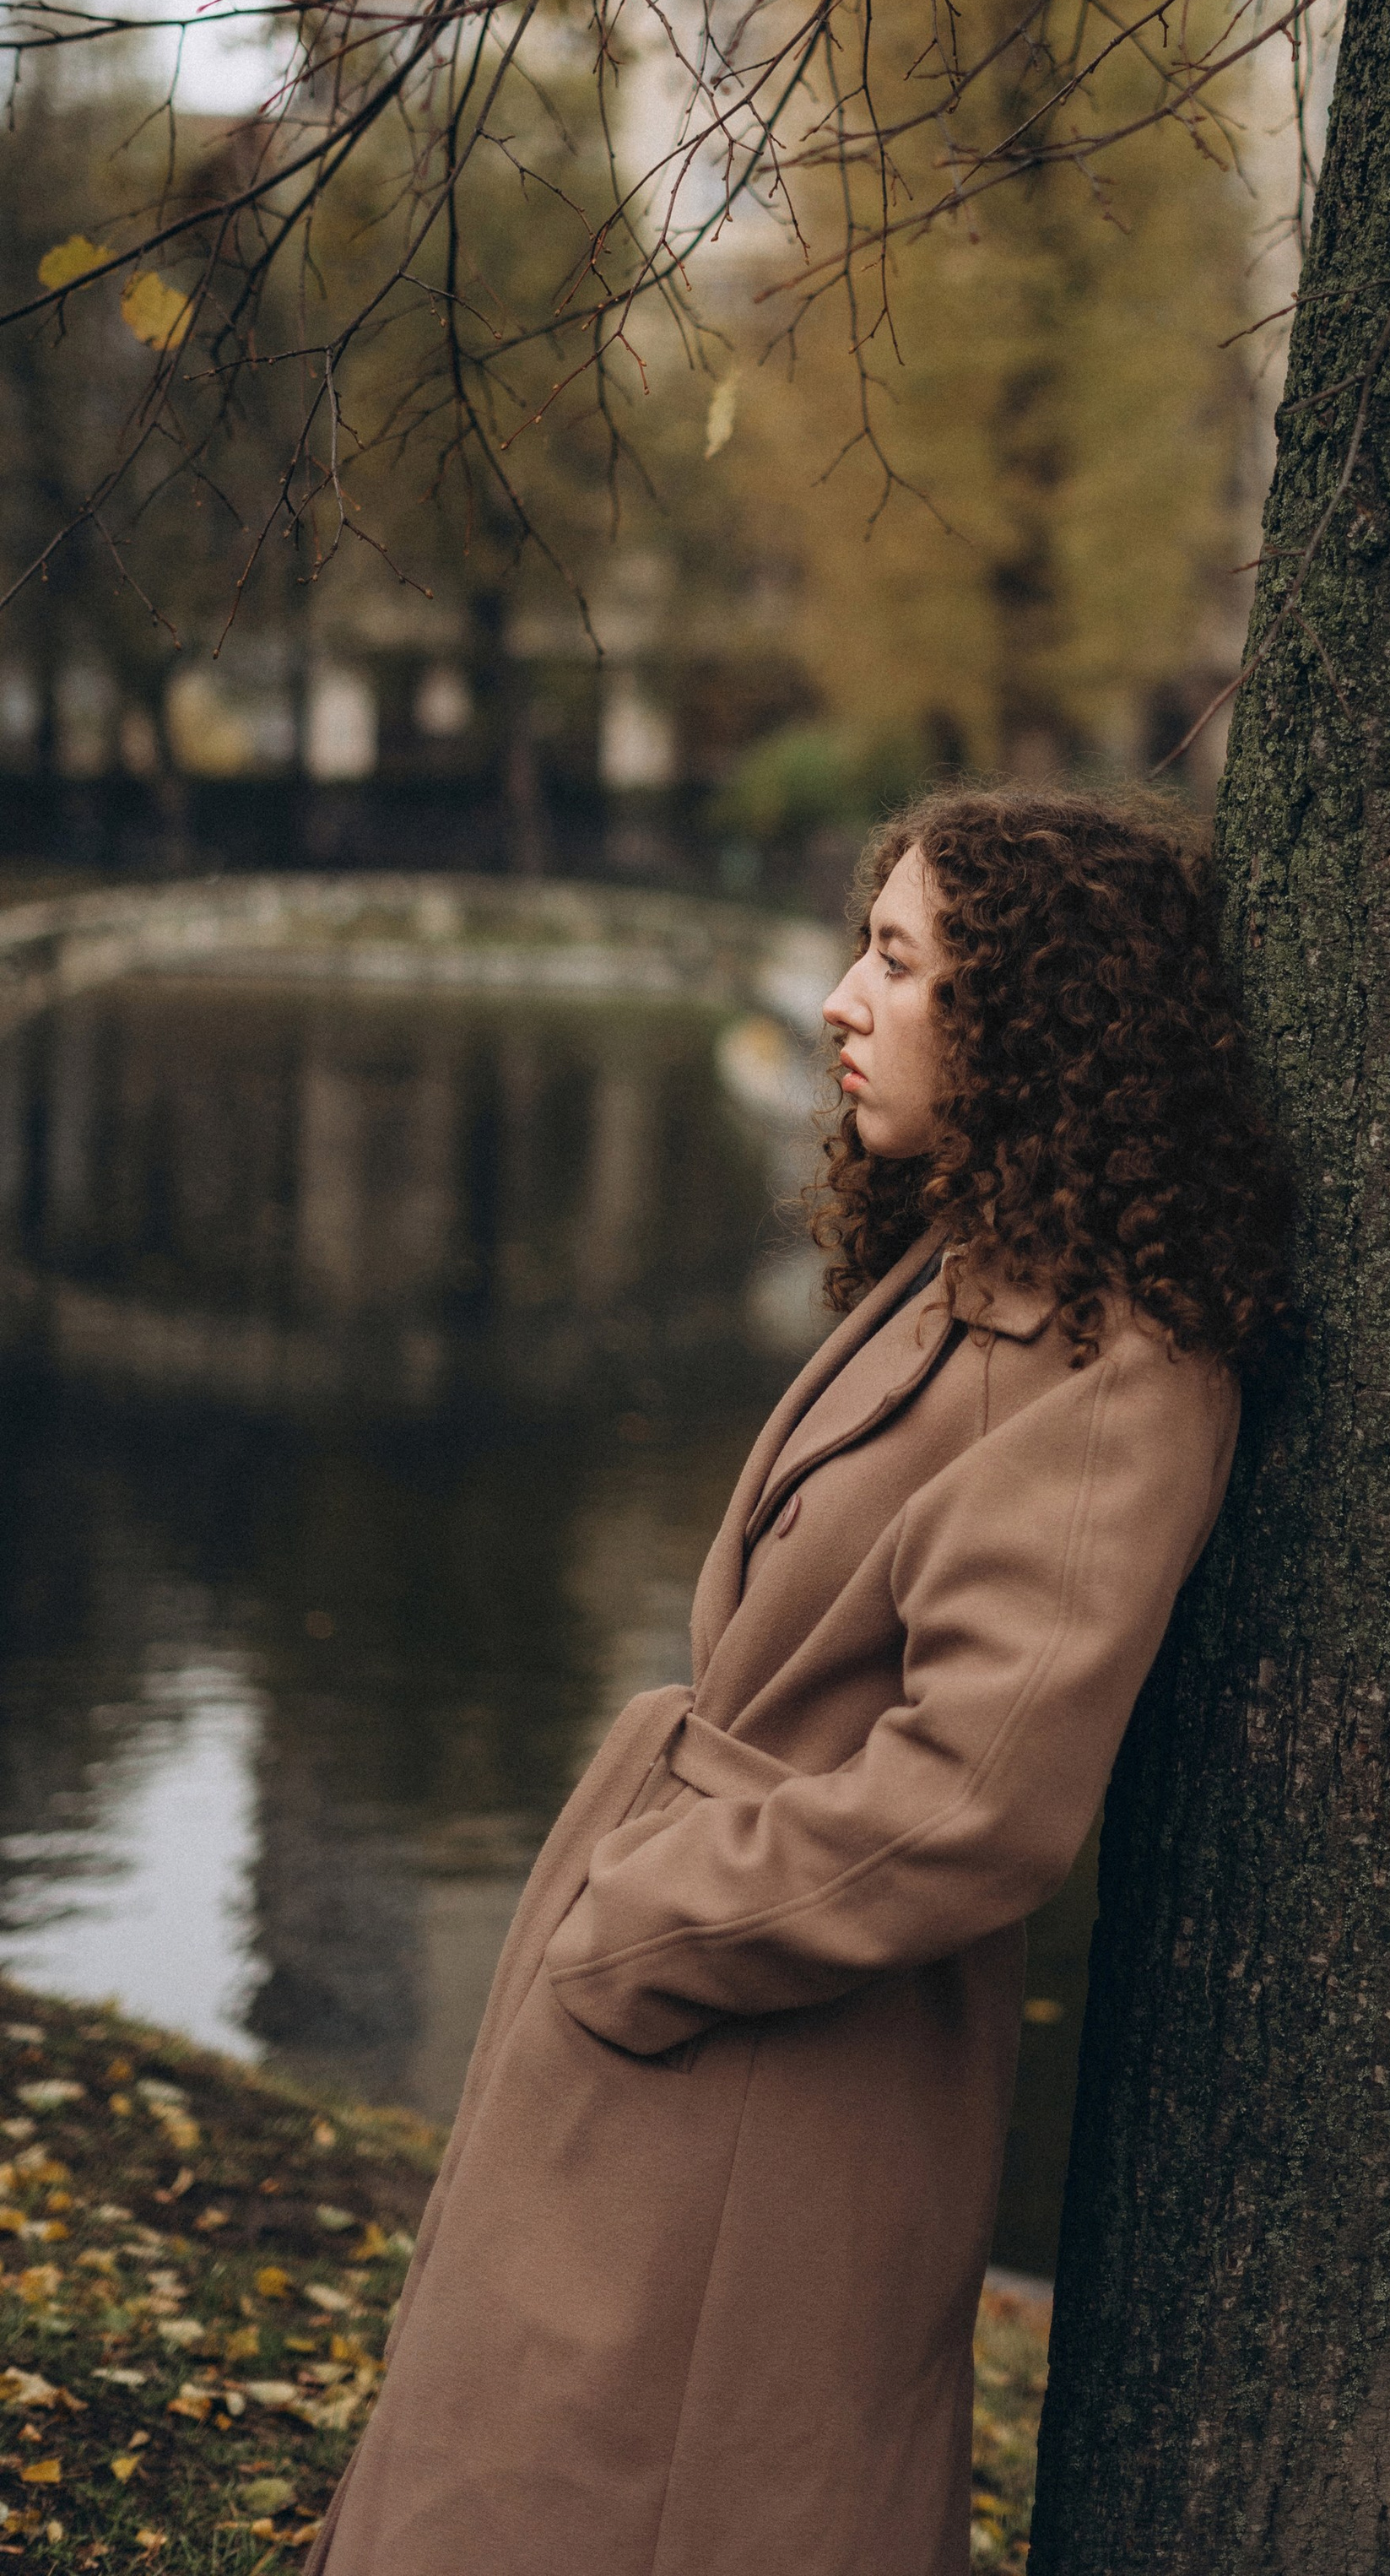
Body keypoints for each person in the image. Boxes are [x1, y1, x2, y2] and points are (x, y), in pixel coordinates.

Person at [306, 785, 1289, 2576]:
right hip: (704, 2024)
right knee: (516, 2478)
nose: (839, 999)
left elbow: (971, 1807)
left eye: (896, 963)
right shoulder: (971, 1266)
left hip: (774, 2066)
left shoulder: (1118, 1374)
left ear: (1035, 1021)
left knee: (639, 2503)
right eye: (864, 949)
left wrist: (641, 1930)